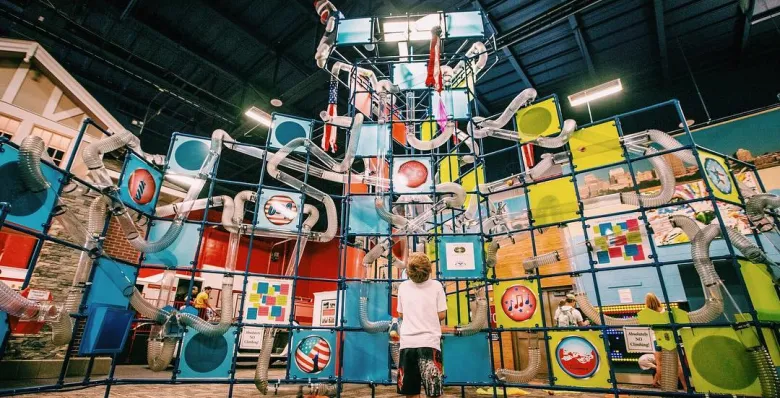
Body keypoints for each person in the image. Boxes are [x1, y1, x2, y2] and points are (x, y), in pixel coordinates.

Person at [396, 252, 446, 398]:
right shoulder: (436, 286)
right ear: (429, 269)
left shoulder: (403, 287)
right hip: (430, 343)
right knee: (434, 392)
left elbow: (401, 314)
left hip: (407, 344)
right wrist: (427, 315)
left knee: (410, 392)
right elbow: (442, 314)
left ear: (409, 272)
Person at [645, 292, 687, 390]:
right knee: (678, 365)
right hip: (670, 339)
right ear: (657, 299)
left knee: (659, 365)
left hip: (657, 340)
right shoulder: (665, 311)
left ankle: (662, 386)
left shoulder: (647, 313)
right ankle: (685, 386)